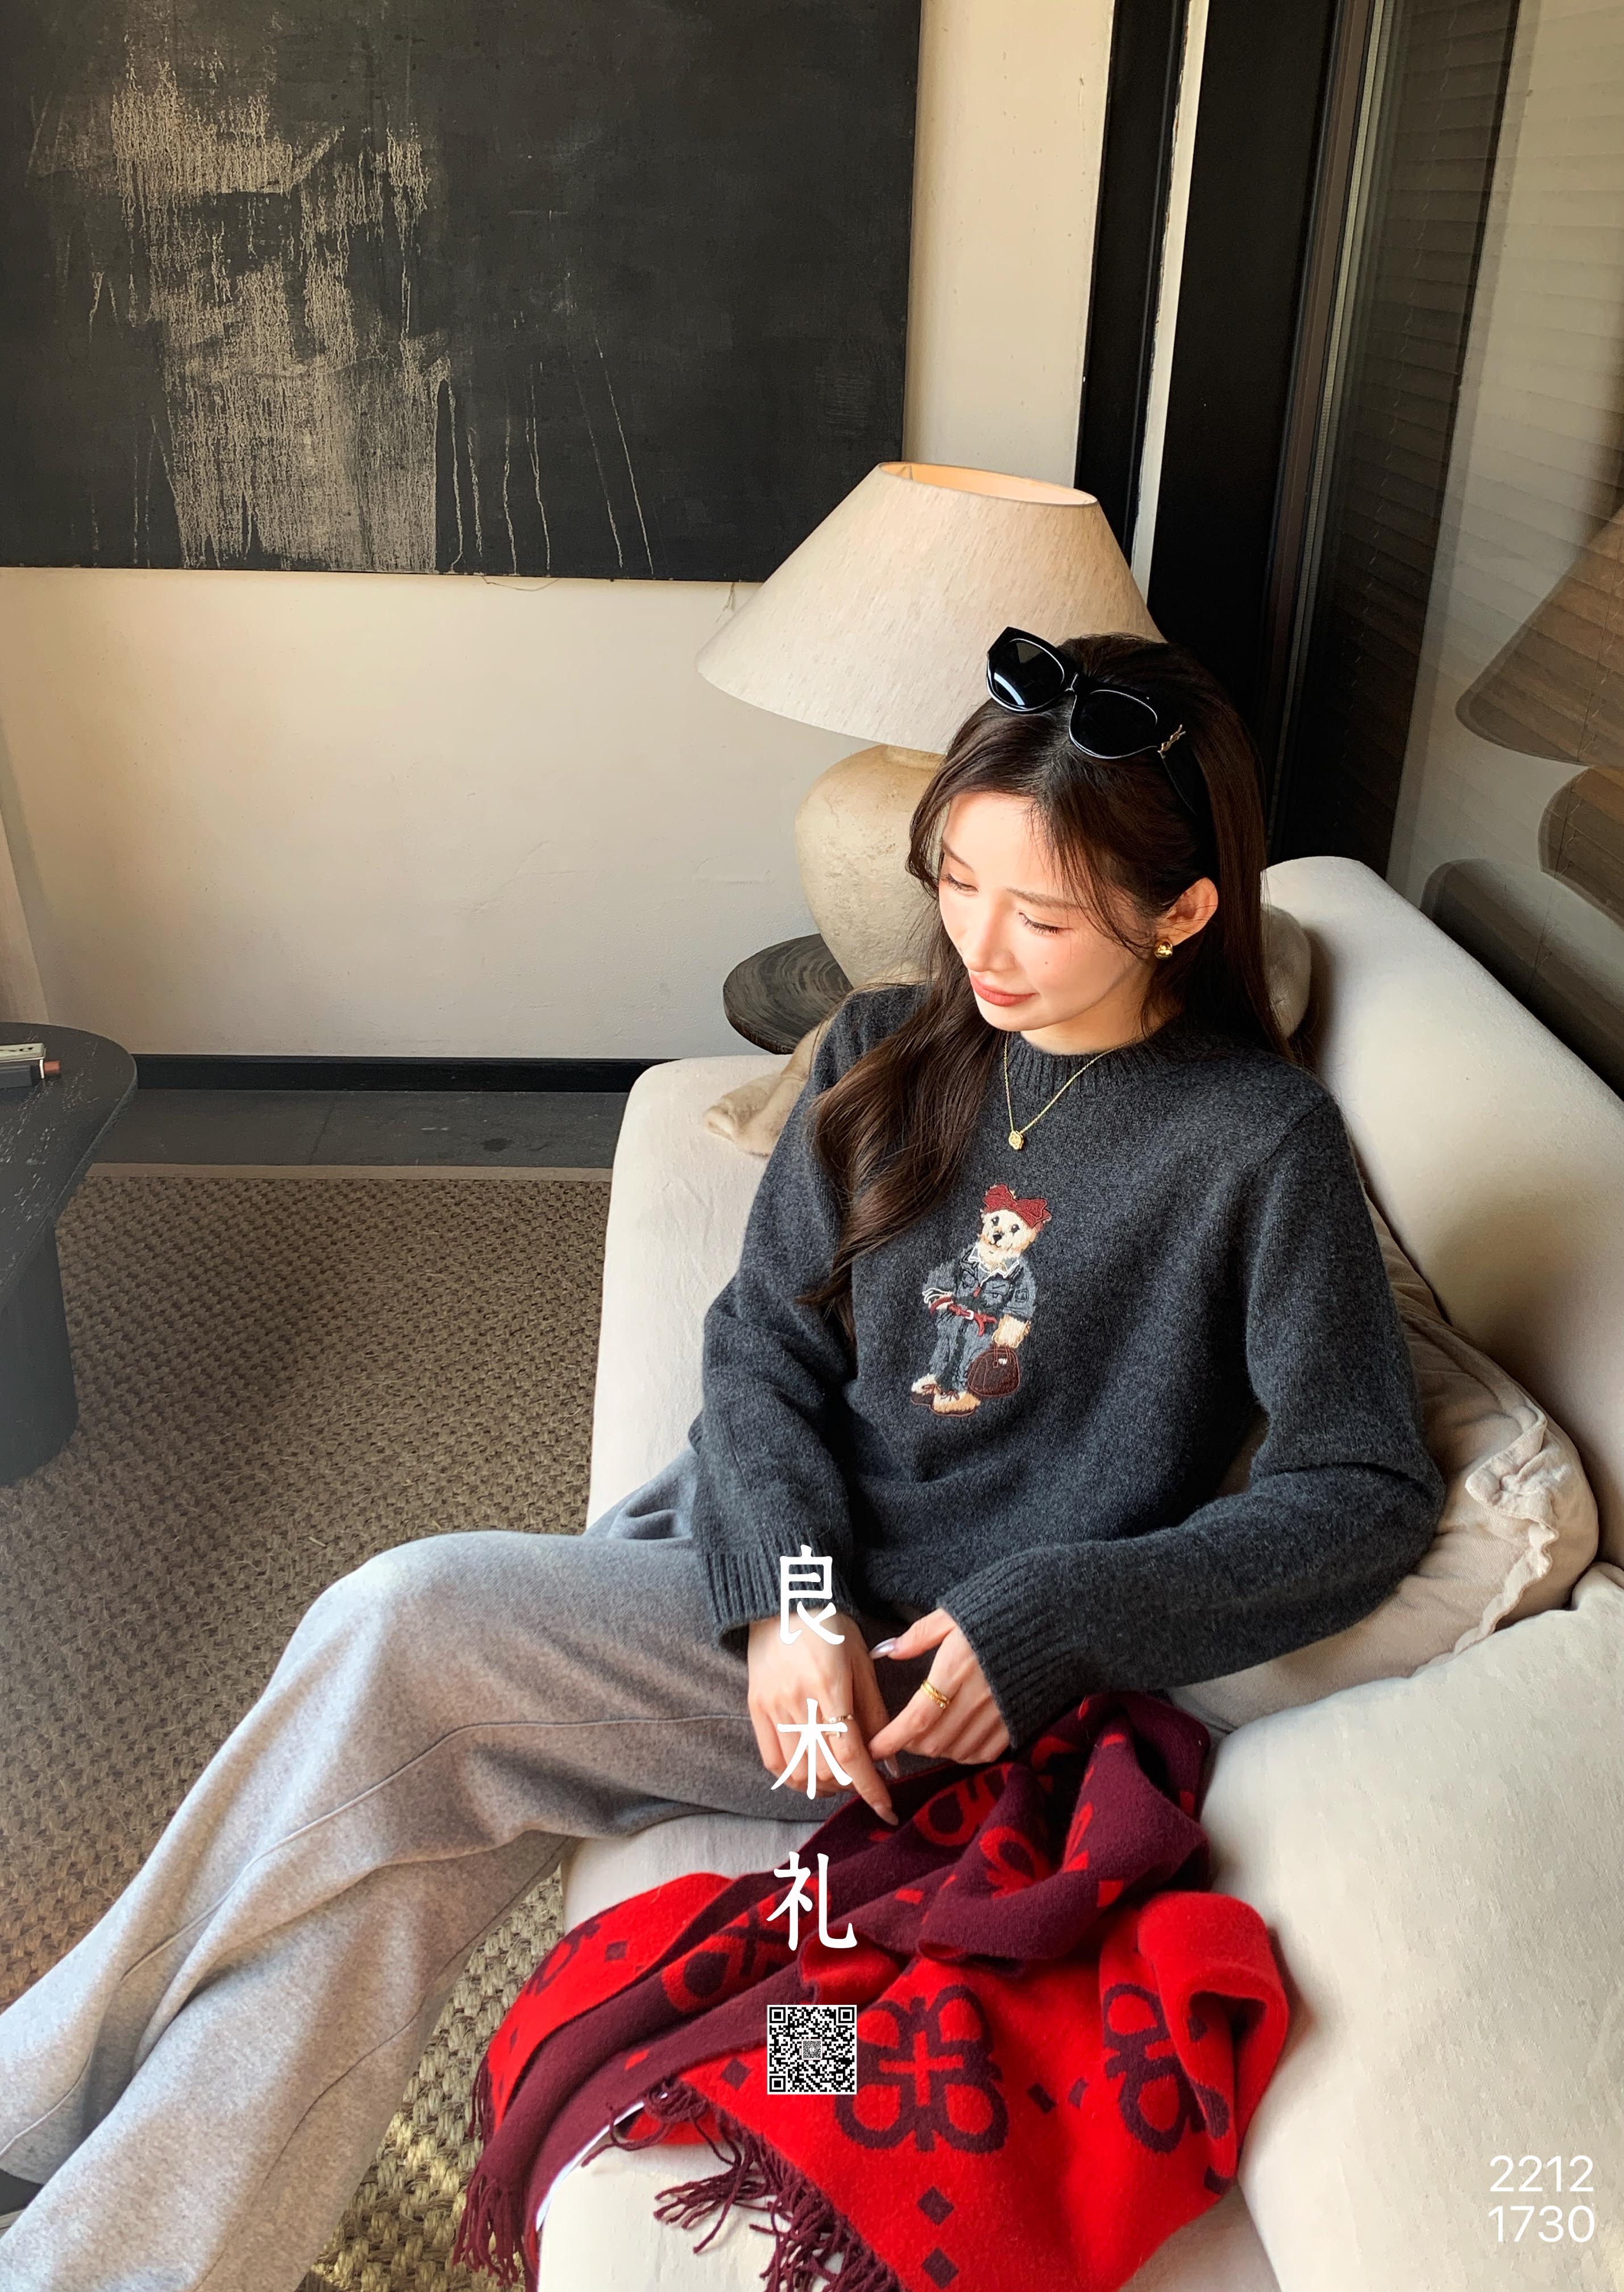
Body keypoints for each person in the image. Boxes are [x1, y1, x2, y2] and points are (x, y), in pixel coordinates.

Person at [0, 630, 1444, 2291]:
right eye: (958, 882)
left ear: (1181, 912)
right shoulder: (887, 1045)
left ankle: (30, 2090)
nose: (982, 945)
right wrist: (790, 1598)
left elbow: (1362, 1493)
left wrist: (1050, 1616)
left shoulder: (1258, 1144)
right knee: (391, 1877)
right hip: (778, 1577)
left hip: (918, 1683)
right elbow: (762, 1342)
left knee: (404, 1615)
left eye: (1042, 916)